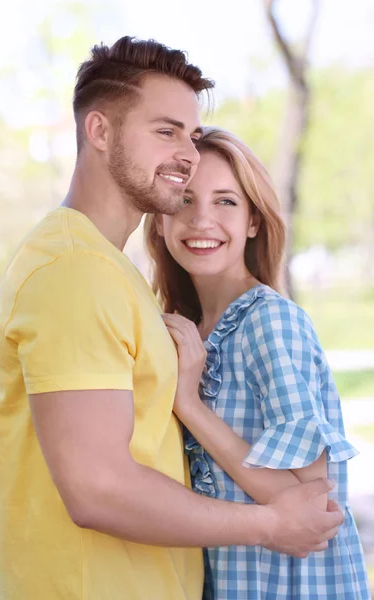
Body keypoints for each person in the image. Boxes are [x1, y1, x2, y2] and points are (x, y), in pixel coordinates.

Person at [0, 39, 344, 600]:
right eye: (166, 131)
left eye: (190, 135)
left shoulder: (111, 269)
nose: (187, 153)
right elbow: (97, 488)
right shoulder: (75, 270)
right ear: (100, 132)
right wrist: (269, 525)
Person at [145, 125, 370, 599]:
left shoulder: (269, 322)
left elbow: (313, 497)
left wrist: (192, 407)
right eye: (184, 200)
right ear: (160, 220)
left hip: (285, 583)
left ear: (252, 221)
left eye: (225, 201)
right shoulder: (186, 328)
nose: (201, 219)